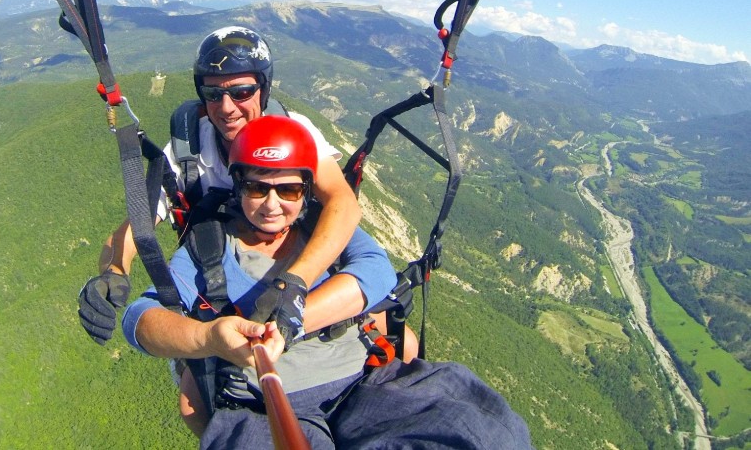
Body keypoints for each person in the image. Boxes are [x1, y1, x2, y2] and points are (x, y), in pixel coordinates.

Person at [122, 116, 534, 449]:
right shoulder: (210, 247)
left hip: (363, 384)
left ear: (306, 191)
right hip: (263, 407)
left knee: (481, 431)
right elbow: (140, 318)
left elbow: (375, 271)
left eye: (288, 189)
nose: (272, 204)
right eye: (256, 187)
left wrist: (292, 316)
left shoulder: (326, 231)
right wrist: (210, 337)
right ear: (237, 185)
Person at [79, 26, 362, 345]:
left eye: (241, 92)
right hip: (218, 284)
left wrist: (295, 283)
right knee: (191, 395)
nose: (226, 108)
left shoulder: (293, 134)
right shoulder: (190, 149)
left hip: (292, 264)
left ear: (262, 89)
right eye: (213, 94)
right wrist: (113, 272)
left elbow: (343, 203)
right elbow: (137, 226)